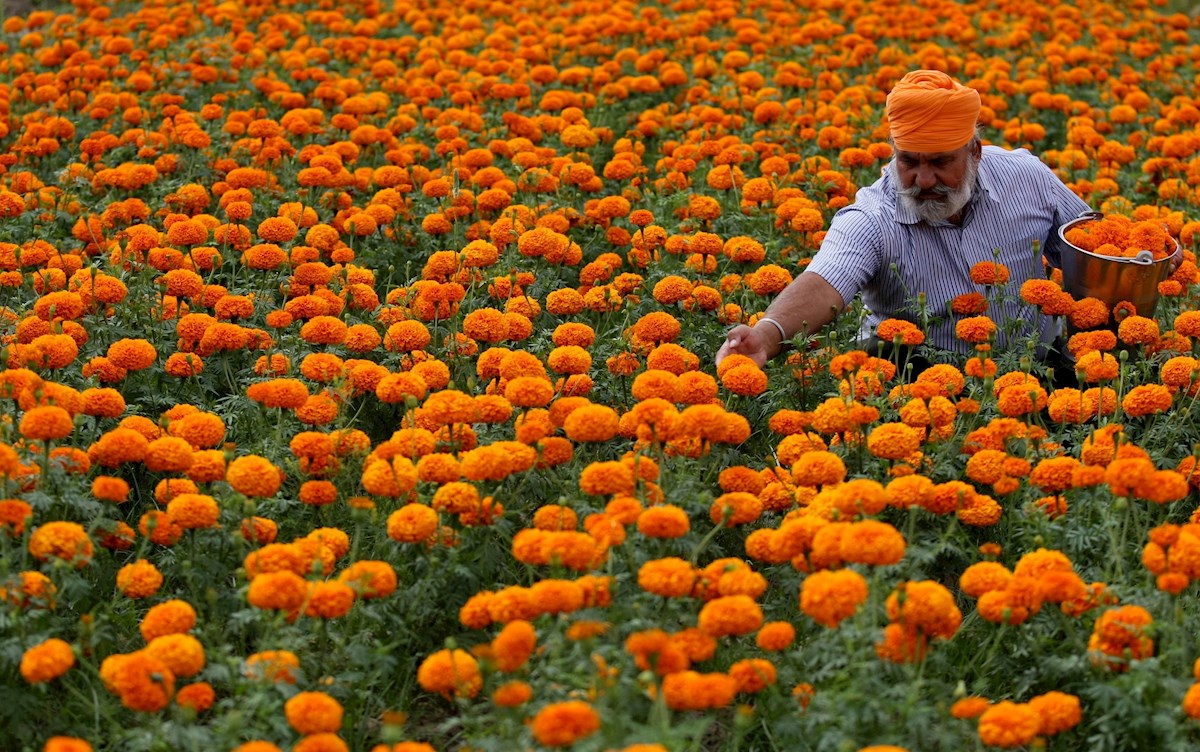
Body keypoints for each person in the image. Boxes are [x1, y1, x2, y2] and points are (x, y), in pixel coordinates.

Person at [716, 69, 1182, 373]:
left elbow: (1088, 247)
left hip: (1033, 364)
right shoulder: (871, 217)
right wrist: (766, 335)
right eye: (909, 162)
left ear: (975, 152)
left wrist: (1146, 262)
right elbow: (824, 281)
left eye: (940, 162)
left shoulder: (1027, 177)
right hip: (918, 370)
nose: (923, 179)